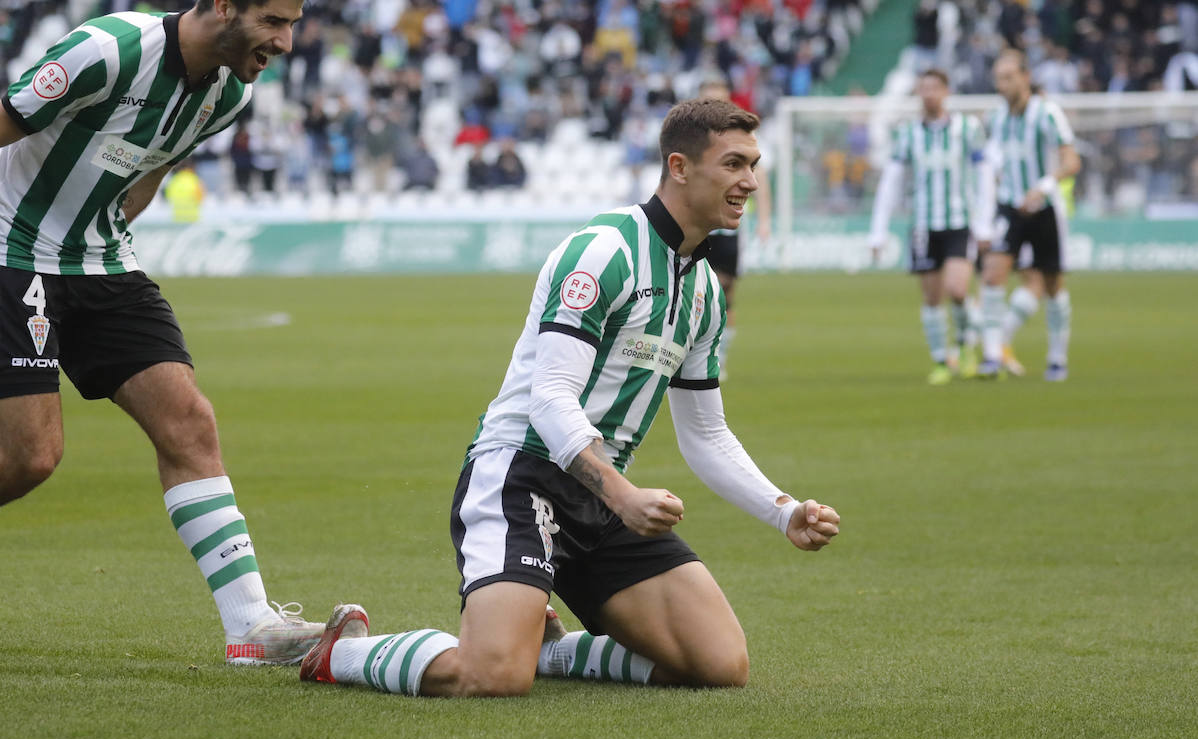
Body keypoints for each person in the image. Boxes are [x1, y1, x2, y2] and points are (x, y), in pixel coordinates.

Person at [0, 0, 331, 664]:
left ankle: (249, 625)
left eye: (291, 24)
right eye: (274, 22)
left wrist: (109, 237)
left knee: (189, 422)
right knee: (30, 457)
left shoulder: (229, 93)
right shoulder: (108, 49)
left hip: (101, 262)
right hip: (8, 252)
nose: (287, 42)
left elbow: (155, 164)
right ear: (224, 6)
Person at [298, 99, 840, 697]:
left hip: (602, 500)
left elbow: (706, 434)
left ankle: (550, 650)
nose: (750, 182)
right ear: (680, 167)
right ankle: (345, 653)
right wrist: (625, 495)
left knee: (717, 665)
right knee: (493, 676)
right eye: (735, 164)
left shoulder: (705, 290)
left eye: (754, 165)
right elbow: (549, 398)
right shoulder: (604, 251)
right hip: (522, 476)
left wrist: (782, 510)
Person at [868, 69, 992, 384]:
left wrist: (984, 222)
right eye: (923, 88)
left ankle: (965, 346)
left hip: (959, 221)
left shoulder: (967, 128)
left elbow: (984, 174)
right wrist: (878, 229)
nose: (929, 93)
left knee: (958, 289)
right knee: (932, 297)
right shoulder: (908, 133)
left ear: (946, 91)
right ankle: (941, 360)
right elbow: (892, 182)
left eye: (934, 87)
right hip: (923, 225)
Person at [976, 49, 1081, 381]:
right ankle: (993, 354)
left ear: (1025, 77)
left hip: (1045, 208)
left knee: (1052, 284)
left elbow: (1071, 161)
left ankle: (1057, 357)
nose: (1002, 85)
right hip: (1009, 207)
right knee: (993, 273)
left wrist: (1044, 186)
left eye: (1008, 78)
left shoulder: (1047, 113)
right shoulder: (995, 118)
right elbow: (990, 162)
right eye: (998, 79)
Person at [697, 79, 769, 382]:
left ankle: (719, 358)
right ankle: (690, 357)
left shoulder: (742, 137)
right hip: (698, 224)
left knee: (724, 294)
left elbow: (759, 176)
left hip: (729, 227)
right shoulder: (691, 138)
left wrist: (764, 219)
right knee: (692, 293)